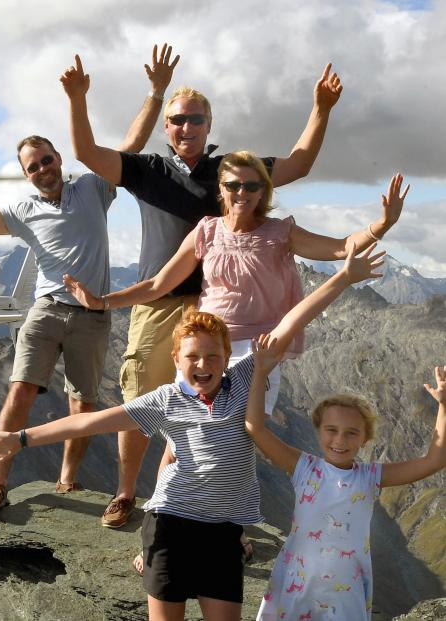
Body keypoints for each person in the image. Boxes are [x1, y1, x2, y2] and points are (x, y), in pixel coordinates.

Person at [0, 244, 385, 621]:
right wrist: (22, 439)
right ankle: (149, 555)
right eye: (193, 356)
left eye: (213, 355)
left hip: (224, 534)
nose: (203, 364)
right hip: (171, 524)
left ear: (228, 357)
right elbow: (90, 421)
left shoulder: (246, 377)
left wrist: (343, 277)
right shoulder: (165, 400)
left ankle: (156, 558)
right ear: (177, 359)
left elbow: (293, 320)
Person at [0, 44, 179, 515]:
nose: (42, 169)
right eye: (32, 166)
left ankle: (67, 482)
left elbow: (130, 145)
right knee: (20, 390)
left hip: (92, 314)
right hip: (46, 311)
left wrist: (156, 92)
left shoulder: (93, 187)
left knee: (83, 407)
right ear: (25, 175)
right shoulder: (22, 212)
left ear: (59, 158)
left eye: (46, 160)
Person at [59, 53, 344, 527]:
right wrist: (77, 99)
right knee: (141, 395)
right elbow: (88, 154)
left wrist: (321, 109)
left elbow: (298, 164)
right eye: (177, 120)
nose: (186, 126)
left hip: (218, 309)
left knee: (221, 415)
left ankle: (204, 508)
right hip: (159, 298)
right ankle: (126, 493)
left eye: (195, 118)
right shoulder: (147, 169)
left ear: (209, 125)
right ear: (166, 127)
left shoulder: (233, 171)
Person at [65, 152, 408, 415]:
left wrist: (382, 224)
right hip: (205, 347)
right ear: (222, 190)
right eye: (232, 185)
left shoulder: (280, 232)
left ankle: (227, 507)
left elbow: (339, 248)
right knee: (185, 429)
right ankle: (170, 505)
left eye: (251, 185)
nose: (241, 192)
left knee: (243, 432)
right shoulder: (207, 230)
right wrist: (102, 301)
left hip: (259, 348)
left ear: (263, 191)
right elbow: (157, 285)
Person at [248, 344, 445, 620]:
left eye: (352, 433)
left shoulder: (370, 477)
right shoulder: (303, 467)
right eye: (332, 430)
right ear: (318, 431)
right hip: (297, 579)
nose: (340, 440)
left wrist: (444, 407)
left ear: (365, 439)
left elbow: (433, 461)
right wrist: (260, 373)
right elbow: (255, 427)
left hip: (344, 588)